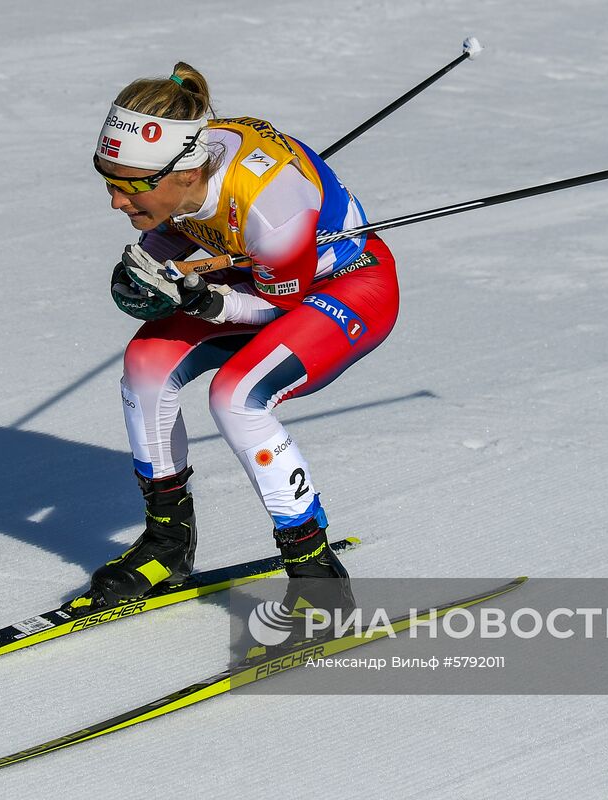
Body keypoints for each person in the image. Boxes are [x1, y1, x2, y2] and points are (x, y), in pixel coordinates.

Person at [74, 62, 399, 616]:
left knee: (237, 395)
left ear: (180, 172)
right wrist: (147, 265)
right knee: (146, 363)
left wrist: (204, 301)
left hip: (346, 287)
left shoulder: (273, 208)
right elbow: (181, 228)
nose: (115, 202)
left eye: (128, 189)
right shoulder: (190, 165)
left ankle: (316, 572)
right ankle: (167, 544)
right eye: (109, 184)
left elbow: (277, 307)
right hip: (258, 280)